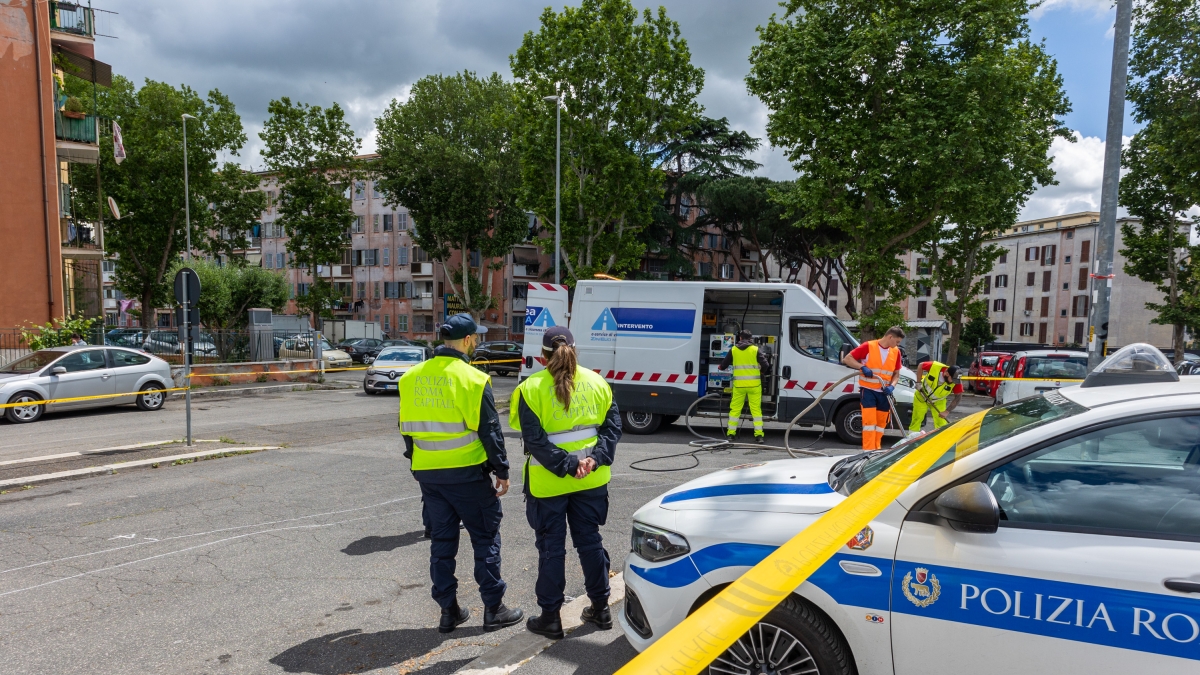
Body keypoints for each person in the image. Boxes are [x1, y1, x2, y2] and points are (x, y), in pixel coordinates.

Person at [397, 313, 523, 634]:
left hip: (429, 475)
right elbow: (490, 431)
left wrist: (416, 463)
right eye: (476, 338)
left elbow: (407, 429)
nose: (477, 342)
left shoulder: (411, 378)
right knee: (485, 536)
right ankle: (493, 609)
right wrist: (502, 471)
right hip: (467, 474)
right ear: (467, 341)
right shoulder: (473, 379)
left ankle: (448, 611)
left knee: (442, 541)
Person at [510, 326, 622, 640]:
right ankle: (600, 609)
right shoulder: (598, 382)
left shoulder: (530, 388)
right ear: (575, 350)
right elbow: (612, 431)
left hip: (550, 484)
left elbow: (535, 441)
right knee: (590, 542)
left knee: (551, 549)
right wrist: (592, 460)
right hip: (592, 480)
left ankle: (550, 618)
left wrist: (568, 465)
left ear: (541, 356)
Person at [841, 326, 905, 451]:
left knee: (881, 424)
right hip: (868, 390)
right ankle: (868, 451)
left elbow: (896, 374)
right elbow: (847, 359)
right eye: (897, 341)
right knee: (869, 423)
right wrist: (862, 367)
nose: (897, 345)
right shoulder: (868, 346)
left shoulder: (896, 352)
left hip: (884, 393)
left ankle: (876, 450)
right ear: (890, 337)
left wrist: (892, 386)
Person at [720, 330, 768, 443]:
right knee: (756, 411)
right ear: (750, 339)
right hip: (754, 385)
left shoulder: (734, 349)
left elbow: (724, 364)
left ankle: (731, 434)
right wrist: (761, 372)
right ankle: (759, 435)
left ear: (740, 338)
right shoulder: (755, 349)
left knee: (735, 410)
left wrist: (721, 367)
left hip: (739, 386)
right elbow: (766, 364)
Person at [908, 362, 963, 434]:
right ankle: (911, 439)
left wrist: (947, 411)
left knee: (941, 423)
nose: (954, 382)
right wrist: (918, 382)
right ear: (946, 373)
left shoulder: (956, 382)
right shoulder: (935, 367)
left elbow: (958, 397)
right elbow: (921, 365)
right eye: (952, 379)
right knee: (917, 419)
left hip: (938, 401)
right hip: (921, 397)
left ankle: (941, 441)